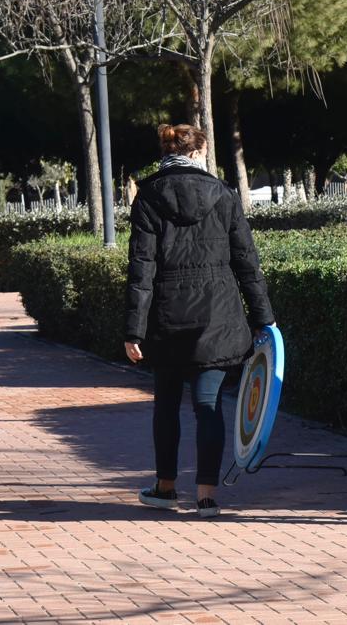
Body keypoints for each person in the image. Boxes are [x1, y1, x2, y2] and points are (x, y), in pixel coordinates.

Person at [125, 123, 275, 518]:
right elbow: (247, 261)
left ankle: (165, 487)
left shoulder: (148, 197)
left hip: (167, 317)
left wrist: (132, 330)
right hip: (219, 316)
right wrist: (264, 320)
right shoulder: (224, 195)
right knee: (208, 404)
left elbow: (141, 269)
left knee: (167, 406)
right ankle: (207, 495)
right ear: (199, 152)